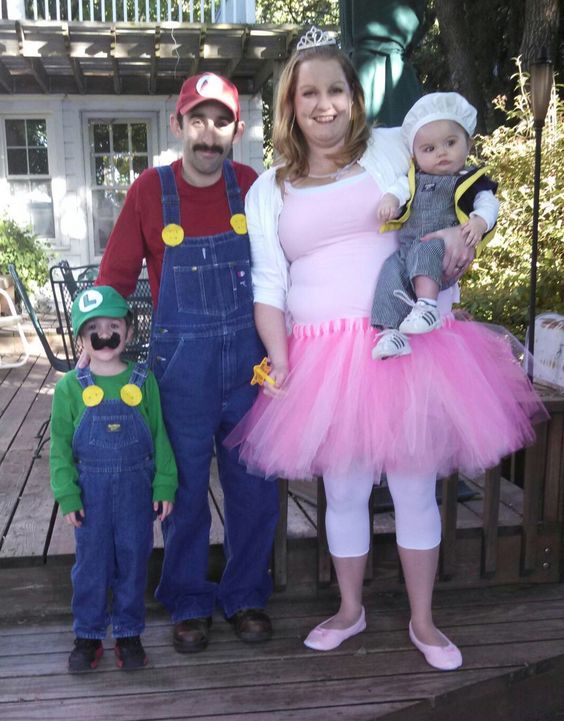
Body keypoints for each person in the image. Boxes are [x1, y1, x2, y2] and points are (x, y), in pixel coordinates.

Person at [226, 28, 547, 670]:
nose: (324, 105)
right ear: (290, 104)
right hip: (321, 357)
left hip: (404, 347)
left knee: (413, 487)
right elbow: (269, 283)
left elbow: (469, 177)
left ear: (354, 96)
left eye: (336, 90)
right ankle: (351, 610)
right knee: (341, 492)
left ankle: (425, 622)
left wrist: (471, 229)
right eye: (308, 93)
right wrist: (280, 356)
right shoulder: (269, 190)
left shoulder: (392, 150)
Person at [95, 72, 280, 653]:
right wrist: (100, 346)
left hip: (251, 370)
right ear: (178, 125)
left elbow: (283, 271)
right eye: (197, 119)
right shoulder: (150, 191)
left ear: (236, 130)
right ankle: (188, 599)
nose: (208, 132)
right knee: (183, 489)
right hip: (182, 374)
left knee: (256, 488)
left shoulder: (252, 185)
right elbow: (116, 279)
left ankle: (246, 593)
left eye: (220, 120)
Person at [50, 286, 178, 672]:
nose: (104, 334)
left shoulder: (144, 381)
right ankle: (88, 634)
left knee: (133, 559)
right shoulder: (69, 388)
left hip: (136, 494)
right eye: (94, 328)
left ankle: (127, 632)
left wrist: (165, 483)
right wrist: (67, 494)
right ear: (80, 339)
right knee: (91, 564)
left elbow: (160, 437)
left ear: (130, 331)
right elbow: (59, 447)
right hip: (91, 495)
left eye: (113, 325)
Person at [371, 92, 499, 359]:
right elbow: (398, 190)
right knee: (389, 273)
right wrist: (390, 200)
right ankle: (391, 332)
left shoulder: (472, 181)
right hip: (407, 251)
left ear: (468, 143)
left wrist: (479, 221)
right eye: (429, 149)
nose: (441, 153)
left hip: (440, 251)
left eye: (450, 143)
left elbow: (489, 204)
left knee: (426, 248)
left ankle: (427, 306)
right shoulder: (414, 178)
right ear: (415, 156)